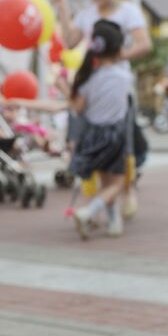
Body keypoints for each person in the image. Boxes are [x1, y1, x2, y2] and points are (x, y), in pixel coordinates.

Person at [54, 0, 149, 217]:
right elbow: (71, 41)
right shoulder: (87, 12)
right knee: (97, 147)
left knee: (123, 145)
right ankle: (107, 206)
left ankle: (126, 191)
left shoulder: (128, 11)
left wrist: (115, 59)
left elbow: (143, 44)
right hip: (91, 88)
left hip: (118, 91)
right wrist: (63, 9)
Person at [68, 21, 133, 239]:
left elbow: (77, 108)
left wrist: (65, 89)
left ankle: (113, 222)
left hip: (91, 134)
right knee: (117, 183)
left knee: (106, 183)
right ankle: (89, 212)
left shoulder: (88, 77)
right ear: (118, 48)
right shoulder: (124, 76)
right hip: (114, 134)